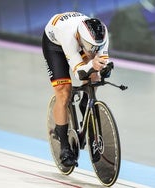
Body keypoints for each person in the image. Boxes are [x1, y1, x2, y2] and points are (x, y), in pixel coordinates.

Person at [42, 12, 110, 167]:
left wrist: (103, 67)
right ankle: (64, 146)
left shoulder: (102, 34)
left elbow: (103, 60)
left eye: (96, 48)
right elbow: (79, 73)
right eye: (90, 48)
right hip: (55, 45)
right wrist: (92, 64)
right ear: (80, 38)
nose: (93, 51)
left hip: (79, 42)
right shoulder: (69, 37)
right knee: (64, 93)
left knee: (95, 76)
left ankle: (85, 104)